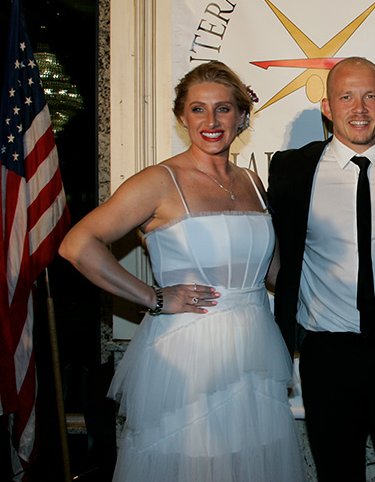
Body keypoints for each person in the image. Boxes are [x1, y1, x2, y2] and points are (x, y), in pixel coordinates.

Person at [59, 62, 305, 482]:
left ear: (242, 116)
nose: (211, 121)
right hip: (189, 355)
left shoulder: (252, 181)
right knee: (194, 462)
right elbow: (77, 245)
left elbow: (273, 273)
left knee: (251, 462)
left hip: (256, 347)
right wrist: (153, 297)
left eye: (223, 108)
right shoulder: (159, 181)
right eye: (198, 109)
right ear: (182, 117)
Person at [267, 57, 375, 482]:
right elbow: (270, 251)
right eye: (346, 96)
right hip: (327, 356)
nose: (359, 108)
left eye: (370, 96)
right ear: (327, 107)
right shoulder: (291, 169)